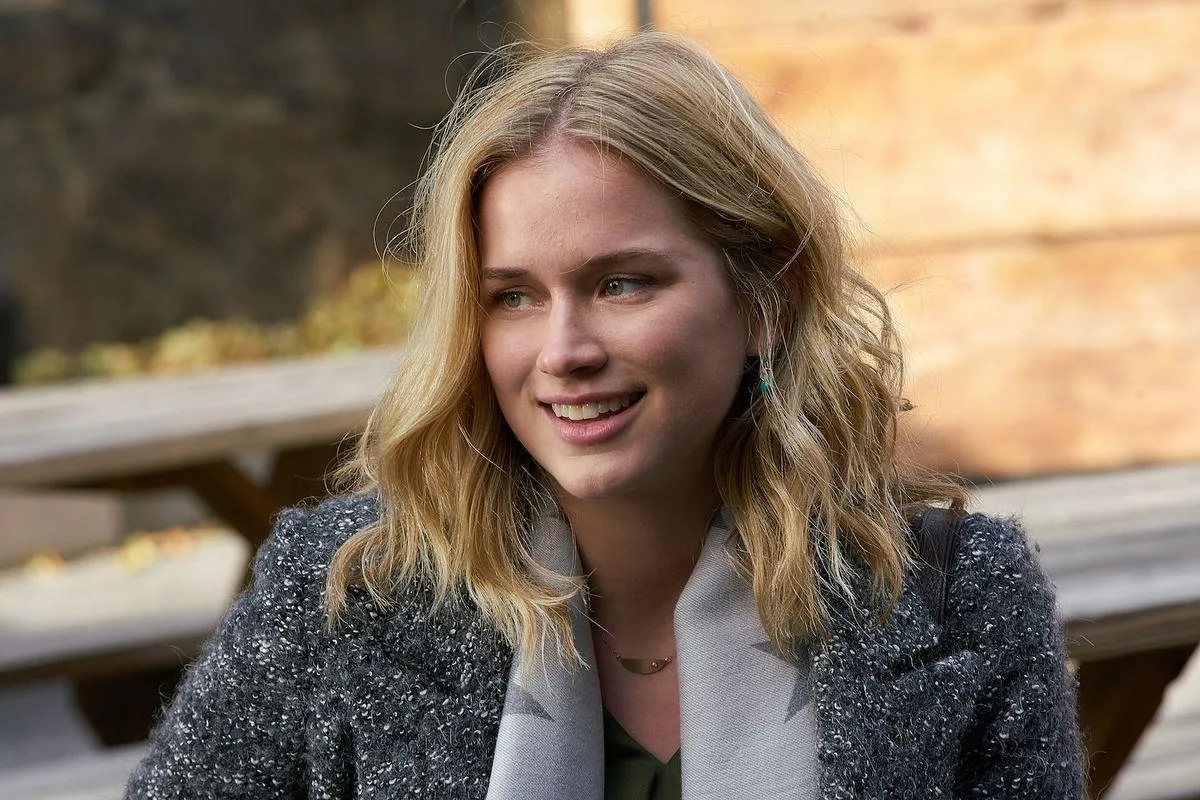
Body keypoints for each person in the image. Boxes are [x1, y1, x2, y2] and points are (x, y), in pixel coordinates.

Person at [126, 32, 1084, 800]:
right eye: (512, 296)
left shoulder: (960, 601)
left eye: (622, 283)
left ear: (767, 300)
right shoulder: (345, 591)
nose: (563, 350)